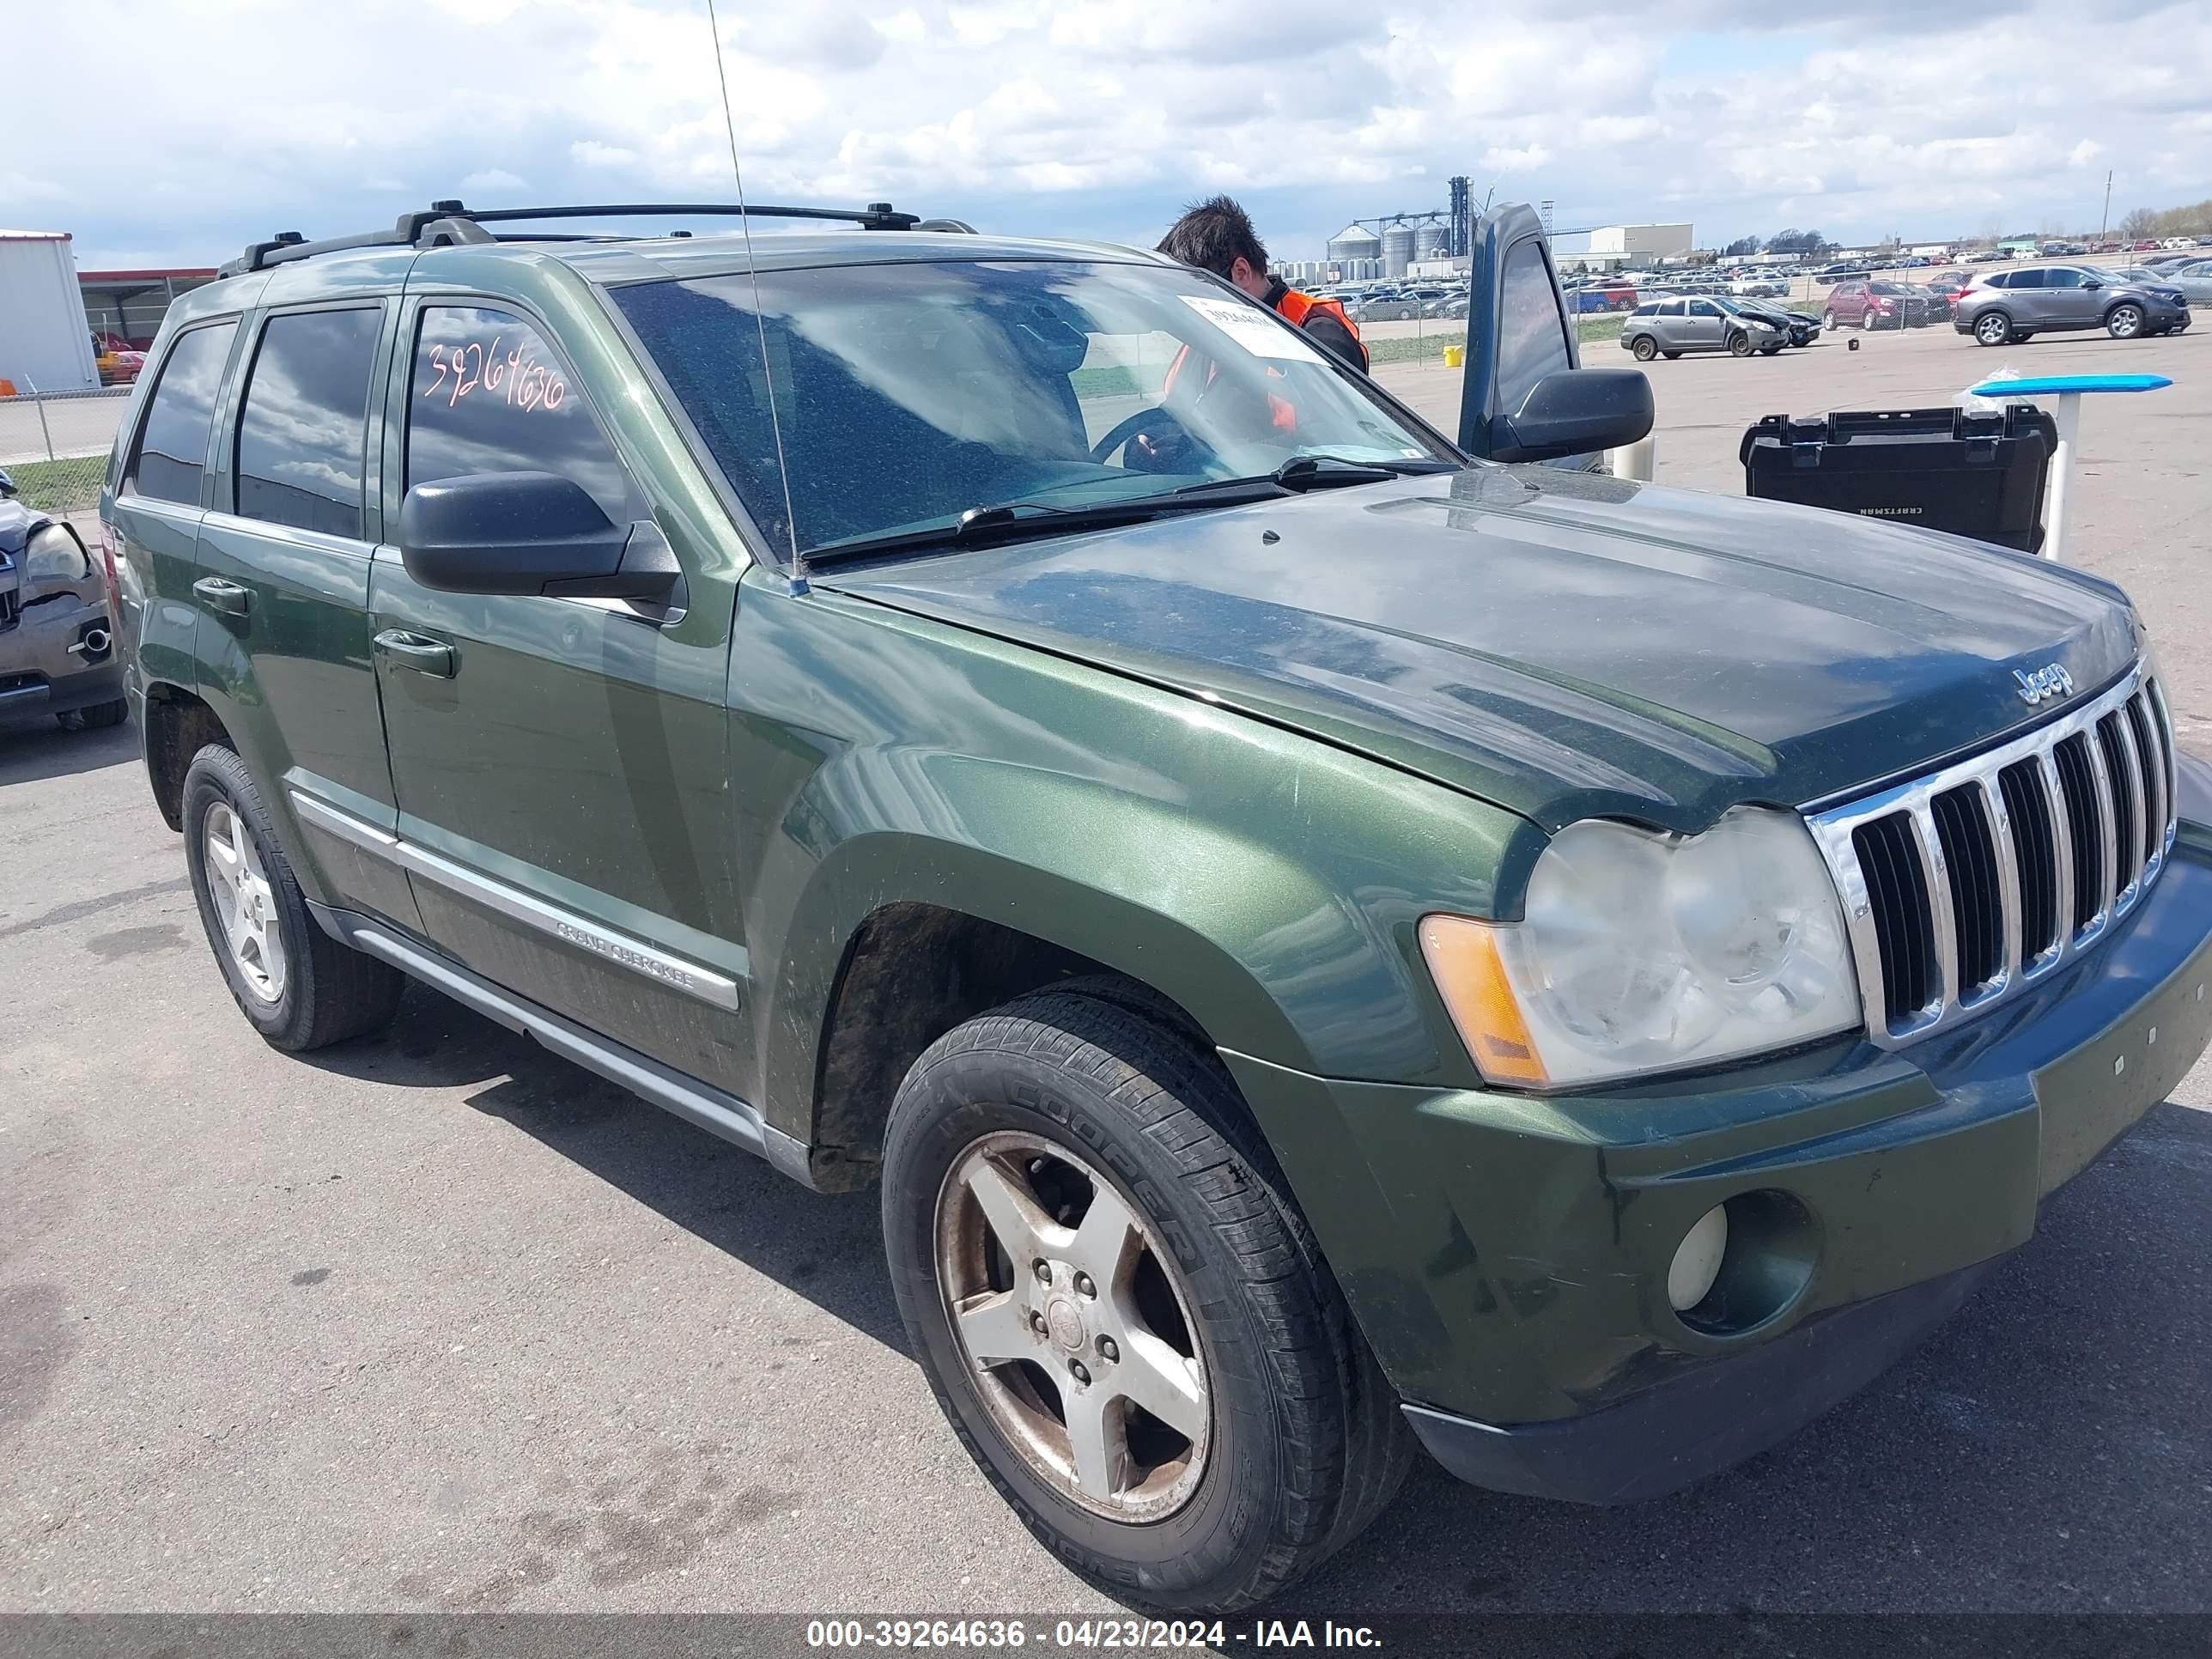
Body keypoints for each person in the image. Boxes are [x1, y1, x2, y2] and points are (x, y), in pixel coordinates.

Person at [1156, 197, 1370, 372]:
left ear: (1241, 272)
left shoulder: (1319, 337)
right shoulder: (1206, 345)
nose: (1189, 309)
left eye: (1193, 294)